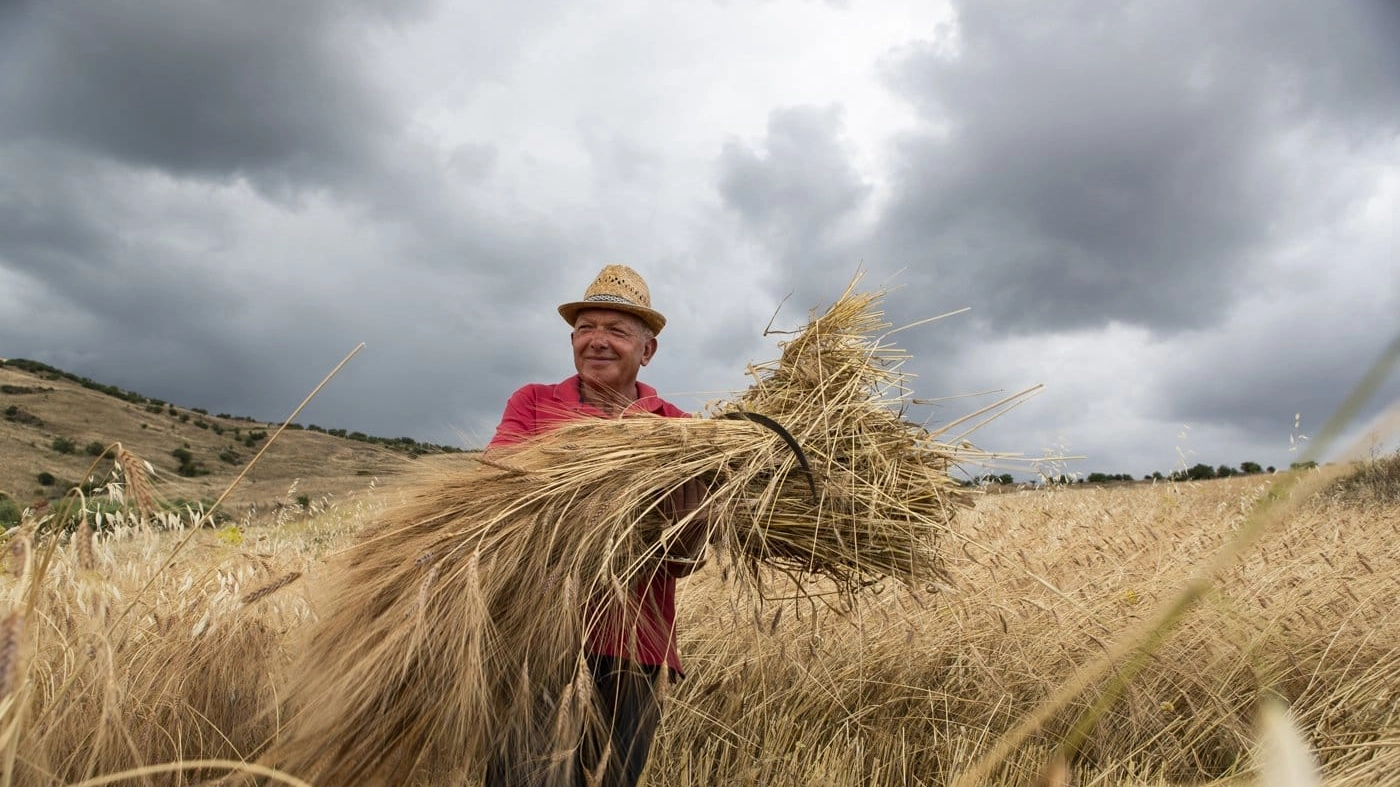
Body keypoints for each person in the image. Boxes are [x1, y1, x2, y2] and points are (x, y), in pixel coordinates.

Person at [483, 264, 708, 787]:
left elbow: (685, 560)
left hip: (635, 648)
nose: (597, 341)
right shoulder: (534, 402)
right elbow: (495, 485)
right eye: (586, 328)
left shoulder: (679, 432)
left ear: (647, 350)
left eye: (617, 330)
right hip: (533, 637)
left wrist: (692, 512)